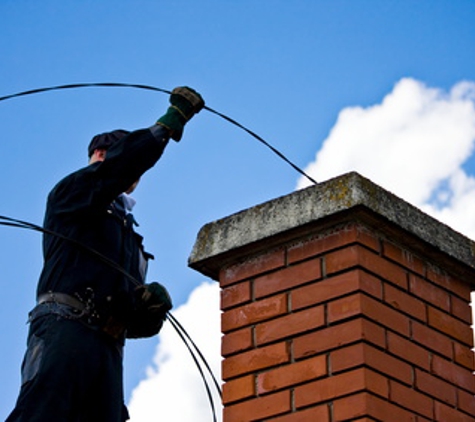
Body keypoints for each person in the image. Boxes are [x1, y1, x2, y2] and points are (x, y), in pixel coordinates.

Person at [7, 87, 205, 422]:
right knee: (42, 414)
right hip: (63, 330)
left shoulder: (131, 240)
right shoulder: (71, 194)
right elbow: (116, 170)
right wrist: (166, 127)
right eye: (130, 164)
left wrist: (150, 309)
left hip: (106, 350)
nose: (135, 177)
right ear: (100, 155)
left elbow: (132, 322)